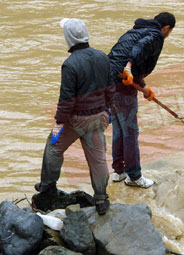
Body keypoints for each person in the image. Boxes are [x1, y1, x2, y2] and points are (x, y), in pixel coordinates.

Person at [34, 18, 113, 215]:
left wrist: (58, 122)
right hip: (99, 117)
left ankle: (47, 187)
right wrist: (109, 110)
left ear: (69, 38)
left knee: (53, 146)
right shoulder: (102, 57)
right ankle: (102, 200)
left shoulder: (70, 64)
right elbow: (111, 89)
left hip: (76, 120)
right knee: (98, 159)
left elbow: (67, 99)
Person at [108, 12, 175, 188]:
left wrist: (143, 87)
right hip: (122, 83)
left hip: (109, 82)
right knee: (130, 130)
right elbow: (138, 50)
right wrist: (129, 67)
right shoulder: (155, 36)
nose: (168, 35)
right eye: (169, 32)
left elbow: (122, 56)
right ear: (166, 28)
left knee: (119, 128)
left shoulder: (136, 30)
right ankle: (135, 176)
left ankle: (119, 171)